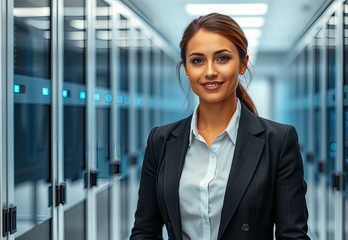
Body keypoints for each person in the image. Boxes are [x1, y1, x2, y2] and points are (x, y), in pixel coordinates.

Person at [130, 13, 310, 240]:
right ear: (186, 69)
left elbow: (293, 235)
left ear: (243, 64)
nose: (210, 71)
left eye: (222, 58)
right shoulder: (161, 141)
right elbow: (144, 232)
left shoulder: (279, 141)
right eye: (197, 61)